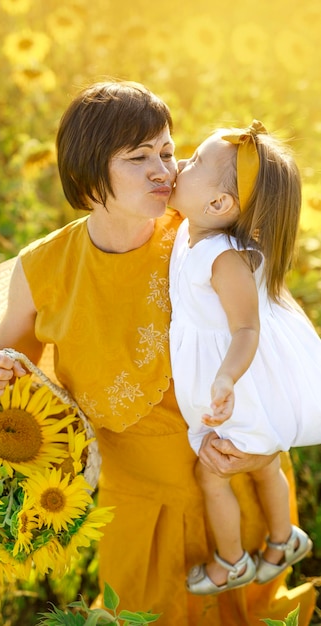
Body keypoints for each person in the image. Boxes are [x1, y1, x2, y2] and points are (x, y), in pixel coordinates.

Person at [0, 84, 315, 625]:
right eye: (138, 156)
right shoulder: (46, 269)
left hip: (234, 473)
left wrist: (264, 453)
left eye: (169, 151)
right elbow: (4, 359)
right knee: (143, 610)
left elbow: (276, 346)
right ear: (86, 174)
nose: (163, 170)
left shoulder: (204, 240)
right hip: (135, 496)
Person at [168, 120, 321, 597]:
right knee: (263, 465)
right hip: (236, 387)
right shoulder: (192, 230)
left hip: (239, 387)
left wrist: (226, 379)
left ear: (219, 205)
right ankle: (282, 540)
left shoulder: (223, 258)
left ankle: (232, 561)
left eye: (191, 162)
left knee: (213, 473)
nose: (177, 164)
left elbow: (247, 329)